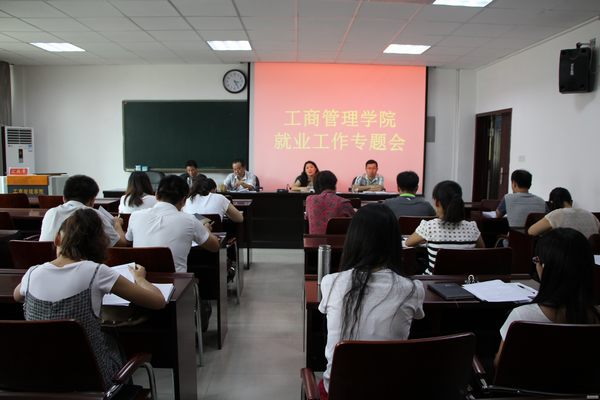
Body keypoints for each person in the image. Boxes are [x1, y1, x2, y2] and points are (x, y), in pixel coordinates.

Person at [13, 209, 166, 389]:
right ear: (100, 245)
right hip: (91, 380)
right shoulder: (97, 272)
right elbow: (158, 301)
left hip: (39, 377)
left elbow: (17, 296)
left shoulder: (32, 273)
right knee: (111, 338)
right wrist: (140, 279)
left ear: (57, 239)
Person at [318, 204, 424, 399]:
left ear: (353, 239)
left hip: (339, 392)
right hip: (391, 391)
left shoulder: (330, 283)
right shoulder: (412, 289)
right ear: (394, 242)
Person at [496, 228, 600, 365]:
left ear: (545, 267)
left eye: (537, 260)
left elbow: (500, 364)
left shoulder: (521, 317)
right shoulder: (595, 317)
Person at [126, 175, 220, 272]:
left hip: (140, 278)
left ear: (156, 195)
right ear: (184, 201)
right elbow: (215, 247)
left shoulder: (135, 216)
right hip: (175, 280)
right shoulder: (189, 220)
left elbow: (128, 241)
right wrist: (206, 228)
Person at [405, 180, 484, 274]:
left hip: (433, 280)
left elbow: (408, 243)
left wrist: (426, 241)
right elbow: (481, 251)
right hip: (465, 280)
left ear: (437, 203)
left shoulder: (429, 227)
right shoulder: (472, 227)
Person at [40, 175, 127, 246]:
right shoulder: (93, 214)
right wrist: (117, 224)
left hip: (46, 260)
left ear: (63, 198)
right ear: (92, 201)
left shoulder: (51, 212)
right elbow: (121, 244)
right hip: (80, 261)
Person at [528, 187, 600, 238]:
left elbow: (531, 232)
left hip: (565, 254)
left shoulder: (555, 214)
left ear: (552, 203)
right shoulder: (590, 215)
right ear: (571, 202)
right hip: (590, 254)